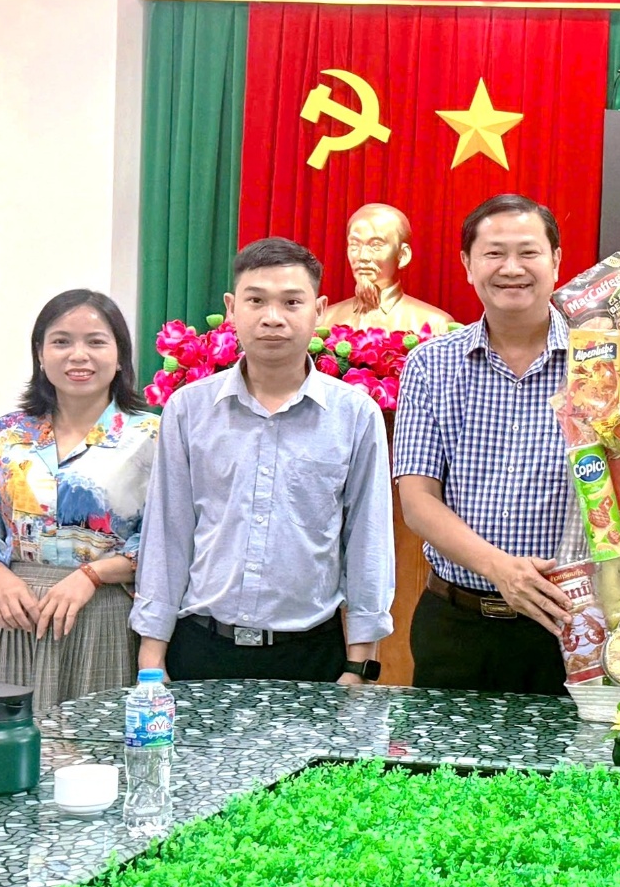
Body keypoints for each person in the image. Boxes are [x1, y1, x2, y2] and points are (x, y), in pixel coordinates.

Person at [132, 238, 393, 684]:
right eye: (256, 300)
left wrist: (360, 664)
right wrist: (151, 658)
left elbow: (368, 539)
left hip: (311, 655)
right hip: (202, 648)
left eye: (292, 302)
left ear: (319, 310)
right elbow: (167, 534)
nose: (273, 317)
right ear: (232, 308)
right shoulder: (188, 409)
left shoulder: (355, 414)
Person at [393, 193, 577, 694]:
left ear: (556, 261)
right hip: (456, 624)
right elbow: (417, 501)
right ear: (468, 264)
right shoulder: (431, 365)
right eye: (494, 253)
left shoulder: (602, 364)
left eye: (528, 252)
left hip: (572, 625)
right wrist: (501, 570)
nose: (511, 268)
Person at [0, 291, 158, 712]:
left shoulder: (153, 437)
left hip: (104, 615)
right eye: (61, 341)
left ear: (120, 355)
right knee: (5, 744)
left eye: (96, 342)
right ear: (40, 355)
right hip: (13, 615)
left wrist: (93, 575)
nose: (79, 355)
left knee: (91, 743)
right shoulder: (6, 435)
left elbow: (172, 539)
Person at [319, 203, 458, 332]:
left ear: (403, 255)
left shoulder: (435, 325)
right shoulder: (324, 321)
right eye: (355, 245)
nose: (362, 256)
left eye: (376, 245)